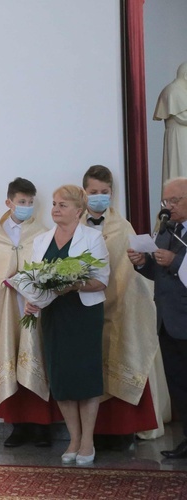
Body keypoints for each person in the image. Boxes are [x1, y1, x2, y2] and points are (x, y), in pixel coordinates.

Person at [24, 185, 109, 465]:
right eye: (54, 204)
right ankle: (73, 438)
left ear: (78, 210)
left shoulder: (93, 238)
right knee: (60, 377)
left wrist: (74, 285)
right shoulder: (41, 240)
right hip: (53, 314)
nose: (55, 209)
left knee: (84, 376)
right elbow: (35, 278)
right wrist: (31, 300)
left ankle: (88, 441)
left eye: (62, 205)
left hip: (83, 314)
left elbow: (101, 280)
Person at [81, 165, 163, 449]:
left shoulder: (122, 226)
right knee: (90, 368)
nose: (99, 197)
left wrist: (137, 264)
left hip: (118, 307)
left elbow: (131, 267)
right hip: (86, 309)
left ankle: (123, 429)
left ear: (111, 194)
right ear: (84, 193)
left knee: (119, 356)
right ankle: (94, 433)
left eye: (104, 193)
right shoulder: (74, 227)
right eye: (94, 192)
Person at [0, 178, 55, 448]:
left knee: (37, 359)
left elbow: (48, 270)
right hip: (7, 307)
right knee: (10, 354)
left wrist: (31, 283)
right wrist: (4, 280)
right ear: (9, 203)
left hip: (33, 307)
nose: (27, 207)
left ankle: (42, 426)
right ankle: (17, 426)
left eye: (31, 203)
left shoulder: (43, 233)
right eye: (22, 202)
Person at [128, 177, 187, 459]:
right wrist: (143, 263)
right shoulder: (166, 229)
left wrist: (174, 260)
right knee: (178, 384)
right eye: (166, 201)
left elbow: (175, 266)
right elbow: (159, 274)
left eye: (174, 201)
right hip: (167, 321)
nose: (168, 206)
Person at [153, 61, 187, 182]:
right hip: (180, 139)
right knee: (180, 171)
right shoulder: (174, 91)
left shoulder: (181, 90)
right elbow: (183, 117)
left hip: (182, 136)